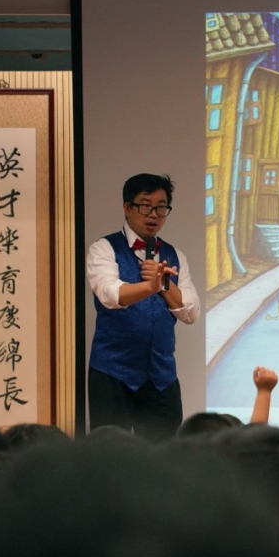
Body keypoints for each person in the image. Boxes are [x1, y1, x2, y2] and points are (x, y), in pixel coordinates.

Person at [87, 173, 199, 442]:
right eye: (146, 206)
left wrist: (163, 285)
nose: (154, 215)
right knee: (111, 453)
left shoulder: (176, 255)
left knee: (164, 454)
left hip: (161, 376)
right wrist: (150, 286)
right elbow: (110, 294)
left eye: (161, 207)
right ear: (127, 207)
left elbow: (190, 313)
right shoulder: (104, 248)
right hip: (112, 372)